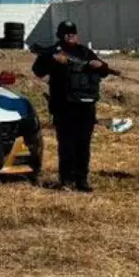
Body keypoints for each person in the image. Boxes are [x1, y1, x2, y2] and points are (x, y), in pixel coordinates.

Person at [32, 20, 115, 193]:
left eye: (73, 33)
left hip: (86, 106)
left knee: (83, 145)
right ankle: (67, 180)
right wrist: (53, 61)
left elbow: (104, 71)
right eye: (67, 33)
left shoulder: (84, 52)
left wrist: (100, 65)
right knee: (67, 145)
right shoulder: (53, 52)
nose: (71, 36)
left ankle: (81, 180)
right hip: (64, 107)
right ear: (60, 35)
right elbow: (38, 70)